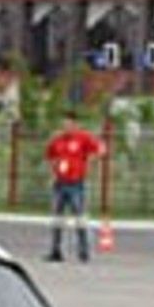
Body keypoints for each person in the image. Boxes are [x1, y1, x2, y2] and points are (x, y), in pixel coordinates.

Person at [43, 111, 105, 262]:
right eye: (64, 124)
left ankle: (83, 251)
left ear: (75, 124)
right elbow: (49, 155)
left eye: (69, 124)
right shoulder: (57, 140)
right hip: (60, 183)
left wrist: (91, 163)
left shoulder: (83, 138)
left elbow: (100, 149)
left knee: (80, 217)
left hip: (76, 183)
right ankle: (55, 250)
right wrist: (54, 168)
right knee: (57, 218)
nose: (66, 127)